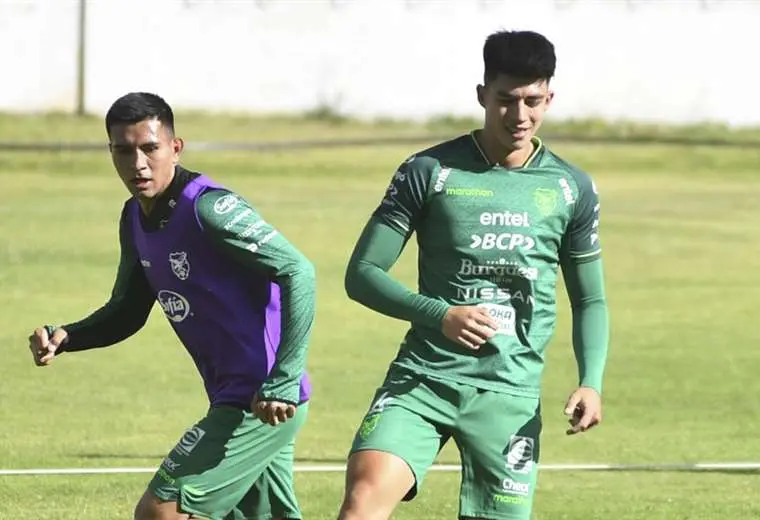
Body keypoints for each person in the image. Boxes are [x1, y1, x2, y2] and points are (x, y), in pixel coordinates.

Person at [338, 30, 610, 520]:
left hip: (510, 393)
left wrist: (591, 382)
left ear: (550, 98)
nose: (519, 115)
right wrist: (440, 315)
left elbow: (590, 301)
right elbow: (362, 273)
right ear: (482, 94)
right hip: (423, 379)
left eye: (533, 100)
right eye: (506, 100)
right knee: (362, 503)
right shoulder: (429, 171)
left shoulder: (572, 188)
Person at [27, 92, 316, 520]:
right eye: (123, 151)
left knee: (160, 512)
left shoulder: (211, 208)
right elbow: (127, 309)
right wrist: (69, 336)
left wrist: (284, 379)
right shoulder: (134, 217)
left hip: (262, 397)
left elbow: (300, 271)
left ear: (175, 148)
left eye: (149, 148)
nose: (137, 164)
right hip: (237, 397)